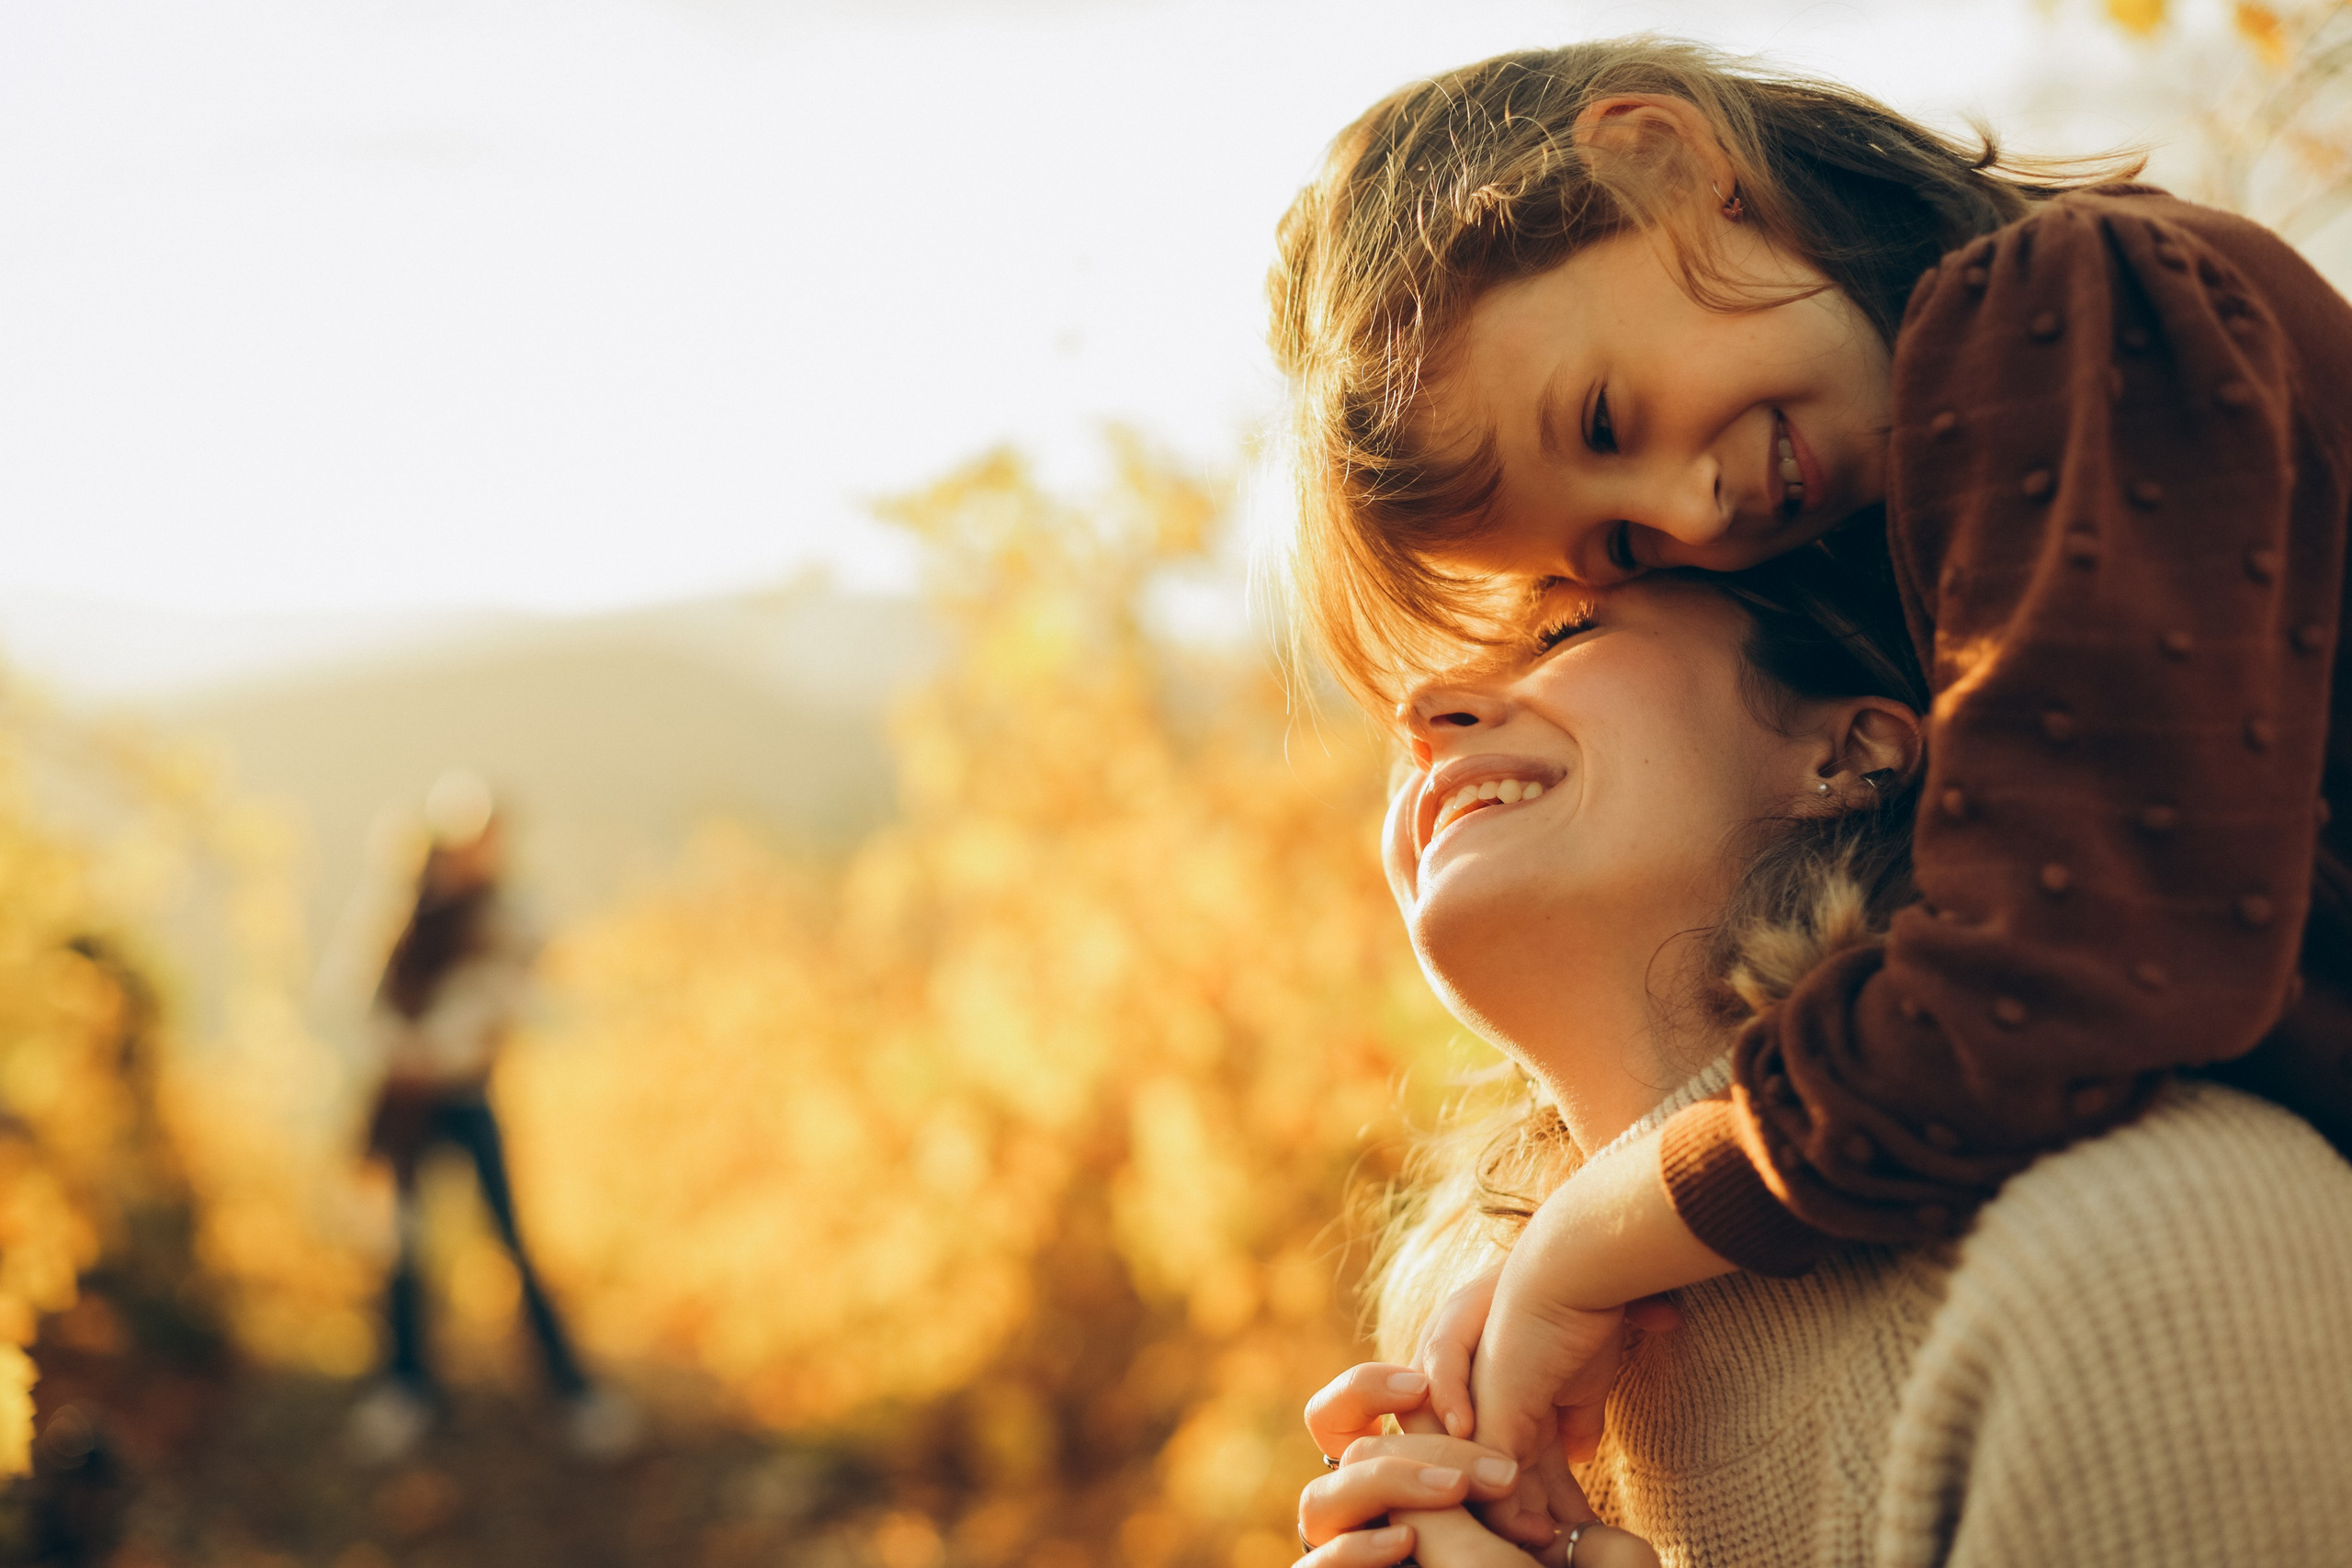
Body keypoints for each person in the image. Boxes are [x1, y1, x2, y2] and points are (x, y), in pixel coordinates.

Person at [1266, 34, 2352, 1527]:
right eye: (1625, 554)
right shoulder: (1915, 477)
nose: (1692, 510)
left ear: (1668, 162)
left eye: (1601, 422)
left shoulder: (2074, 306)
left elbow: (2057, 973)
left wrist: (1599, 1231)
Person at [1289, 551, 2352, 1566]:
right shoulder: (1493, 1400)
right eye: (1419, 691)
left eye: (1563, 631)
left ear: (1850, 756)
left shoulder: (2153, 1246)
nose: (1421, 715)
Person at [345, 771, 636, 1463]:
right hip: (405, 1108)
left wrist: (434, 1050)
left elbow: (512, 1001)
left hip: (468, 1099)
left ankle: (570, 1389)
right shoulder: (400, 911)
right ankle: (406, 1387)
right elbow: (364, 996)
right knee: (403, 1248)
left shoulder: (510, 915)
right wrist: (406, 1052)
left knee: (511, 1241)